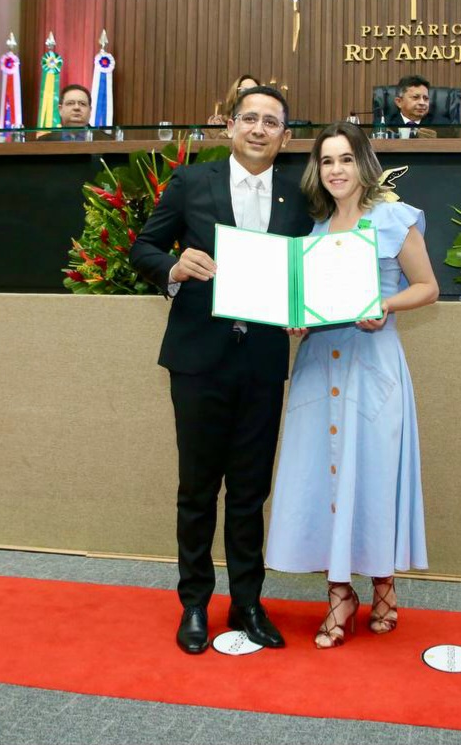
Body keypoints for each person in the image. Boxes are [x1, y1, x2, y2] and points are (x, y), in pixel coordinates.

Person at [130, 86, 312, 655]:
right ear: (230, 127)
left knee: (250, 492)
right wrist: (174, 266)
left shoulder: (296, 196)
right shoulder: (192, 182)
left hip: (261, 362)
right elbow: (143, 249)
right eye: (249, 119)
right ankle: (194, 604)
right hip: (198, 359)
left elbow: (307, 270)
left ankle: (248, 603)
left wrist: (306, 311)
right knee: (197, 488)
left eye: (272, 122)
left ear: (285, 136)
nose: (259, 129)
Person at [265, 121, 438, 649]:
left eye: (344, 159)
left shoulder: (392, 218)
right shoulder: (312, 232)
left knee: (373, 474)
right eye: (326, 161)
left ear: (363, 165)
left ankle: (382, 583)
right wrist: (297, 319)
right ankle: (339, 593)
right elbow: (309, 304)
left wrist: (384, 305)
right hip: (321, 365)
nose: (335, 170)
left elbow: (428, 288)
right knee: (325, 479)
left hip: (373, 366)